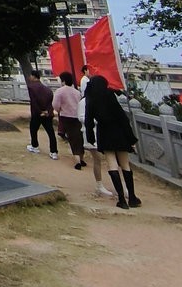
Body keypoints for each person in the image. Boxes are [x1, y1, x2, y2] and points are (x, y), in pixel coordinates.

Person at [84, 75, 141, 209]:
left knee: (112, 164)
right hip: (119, 131)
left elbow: (88, 121)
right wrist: (131, 138)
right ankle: (132, 197)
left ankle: (121, 199)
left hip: (104, 132)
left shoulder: (90, 98)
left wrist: (90, 137)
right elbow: (122, 117)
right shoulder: (110, 95)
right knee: (125, 164)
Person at [79, 68, 112, 197]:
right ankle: (99, 184)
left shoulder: (104, 100)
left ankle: (118, 185)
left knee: (110, 161)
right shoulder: (83, 102)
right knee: (98, 159)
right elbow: (81, 117)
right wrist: (96, 119)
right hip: (90, 133)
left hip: (104, 133)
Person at [52, 72, 86, 169]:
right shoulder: (77, 92)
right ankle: (82, 158)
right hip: (77, 117)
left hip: (66, 116)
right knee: (79, 137)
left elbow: (55, 105)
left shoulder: (59, 91)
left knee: (72, 138)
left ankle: (77, 161)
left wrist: (60, 110)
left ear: (63, 80)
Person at [26, 69, 58, 158]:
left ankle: (35, 146)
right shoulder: (47, 89)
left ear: (33, 76)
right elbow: (50, 101)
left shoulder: (31, 87)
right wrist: (47, 111)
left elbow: (34, 101)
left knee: (33, 129)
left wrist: (40, 111)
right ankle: (54, 151)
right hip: (47, 113)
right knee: (50, 132)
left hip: (37, 113)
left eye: (31, 76)